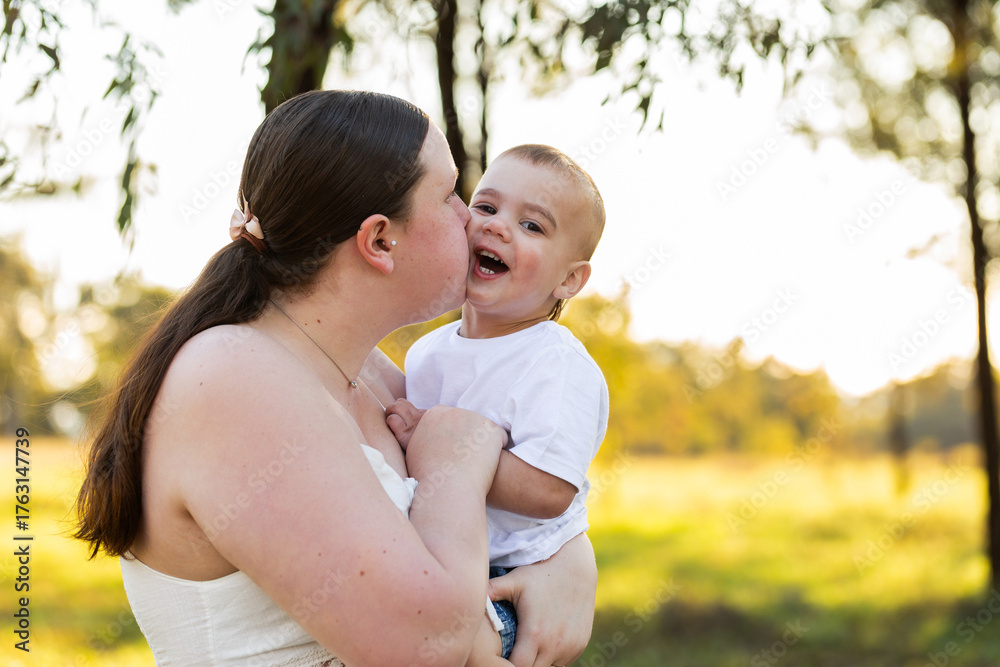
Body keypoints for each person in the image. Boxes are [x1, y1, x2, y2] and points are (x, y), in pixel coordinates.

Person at [74, 90, 597, 667]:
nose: (469, 218)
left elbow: (501, 523)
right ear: (379, 241)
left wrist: (570, 565)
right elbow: (426, 645)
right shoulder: (233, 380)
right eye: (452, 195)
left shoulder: (368, 374)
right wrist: (459, 458)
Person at [385, 145, 609, 666]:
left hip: (514, 573)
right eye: (485, 207)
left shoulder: (555, 363)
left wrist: (437, 441)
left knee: (457, 646)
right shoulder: (427, 353)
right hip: (439, 556)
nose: (497, 226)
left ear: (569, 280)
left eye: (532, 226)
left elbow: (550, 490)